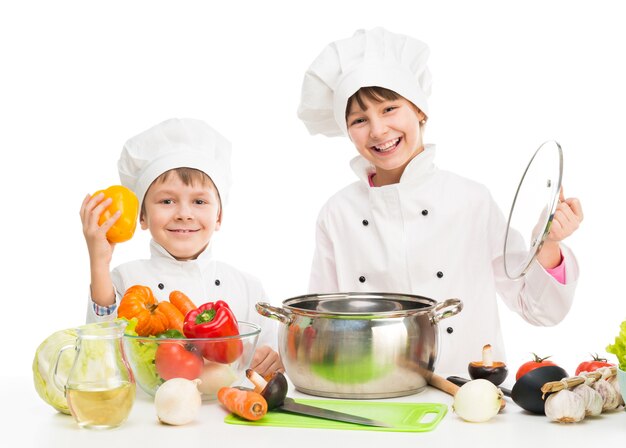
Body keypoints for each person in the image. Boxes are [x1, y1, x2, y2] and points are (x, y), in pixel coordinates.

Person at [296, 28, 583, 375]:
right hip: (375, 394)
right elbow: (320, 322)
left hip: (468, 396)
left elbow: (538, 309)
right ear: (346, 130)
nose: (378, 130)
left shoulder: (471, 200)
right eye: (359, 120)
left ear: (419, 110)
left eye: (389, 108)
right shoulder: (337, 214)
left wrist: (548, 244)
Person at [80, 118, 282, 376]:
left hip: (228, 411)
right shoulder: (123, 279)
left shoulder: (249, 288)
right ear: (142, 217)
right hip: (148, 414)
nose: (184, 214)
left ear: (219, 217)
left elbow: (269, 362)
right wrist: (99, 263)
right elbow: (99, 356)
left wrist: (272, 360)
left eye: (199, 201)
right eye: (166, 201)